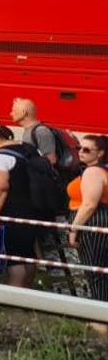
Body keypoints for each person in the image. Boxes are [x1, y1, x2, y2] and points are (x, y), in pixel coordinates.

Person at [0, 123, 41, 289]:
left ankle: (14, 294)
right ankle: (27, 293)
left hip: (11, 212)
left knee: (13, 258)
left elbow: (0, 189)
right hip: (33, 209)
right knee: (28, 254)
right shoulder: (28, 149)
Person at [67, 134, 108, 327]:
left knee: (95, 271)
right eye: (78, 148)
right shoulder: (102, 171)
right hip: (99, 220)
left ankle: (100, 320)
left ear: (100, 153)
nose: (80, 152)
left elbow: (90, 204)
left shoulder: (93, 172)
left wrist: (74, 229)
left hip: (93, 221)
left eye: (86, 149)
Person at [11, 97, 64, 169]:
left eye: (14, 111)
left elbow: (51, 160)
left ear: (23, 112)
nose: (11, 114)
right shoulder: (29, 131)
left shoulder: (41, 131)